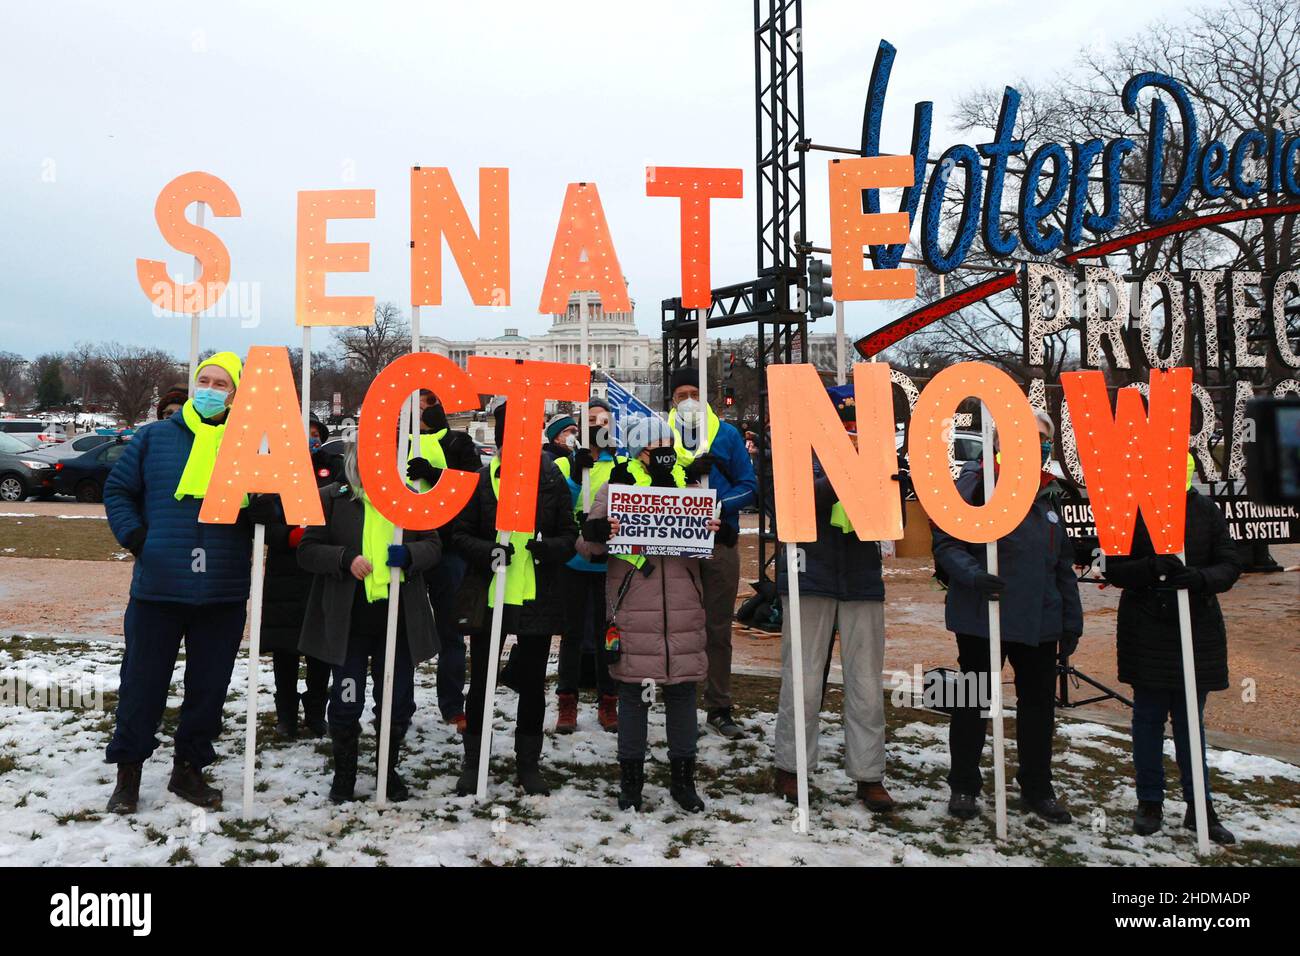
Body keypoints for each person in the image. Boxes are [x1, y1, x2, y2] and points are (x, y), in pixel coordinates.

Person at [104, 351, 268, 813]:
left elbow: (275, 511)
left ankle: (188, 770)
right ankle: (128, 774)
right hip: (159, 586)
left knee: (208, 689)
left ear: (236, 393)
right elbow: (118, 490)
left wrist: (264, 512)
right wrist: (137, 538)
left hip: (222, 588)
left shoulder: (251, 446)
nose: (211, 390)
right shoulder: (154, 437)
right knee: (142, 684)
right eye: (205, 380)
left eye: (222, 384)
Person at [931, 410, 1082, 824]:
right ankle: (963, 785)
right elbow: (947, 542)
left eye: (1042, 440)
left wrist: (1071, 620)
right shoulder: (977, 482)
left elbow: (1061, 565)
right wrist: (974, 576)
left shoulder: (1049, 492)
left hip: (1039, 621)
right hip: (983, 615)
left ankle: (1037, 787)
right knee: (973, 701)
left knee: (1038, 708)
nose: (1036, 445)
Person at [576, 416, 719, 812]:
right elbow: (586, 547)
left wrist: (715, 532)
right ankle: (631, 781)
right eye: (655, 444)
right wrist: (598, 533)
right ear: (640, 450)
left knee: (683, 696)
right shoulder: (616, 488)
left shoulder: (692, 488)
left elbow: (709, 550)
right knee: (634, 698)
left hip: (683, 609)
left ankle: (683, 780)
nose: (663, 450)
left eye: (668, 443)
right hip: (634, 609)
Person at [1103, 455, 1241, 844]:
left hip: (1194, 630)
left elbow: (1230, 564)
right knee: (1147, 720)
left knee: (1189, 725)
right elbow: (1114, 568)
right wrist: (1152, 567)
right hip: (1146, 631)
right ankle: (1150, 802)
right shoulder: (1130, 509)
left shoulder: (1205, 510)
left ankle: (1201, 808)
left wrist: (1197, 578)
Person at [296, 441, 442, 803]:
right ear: (352, 460)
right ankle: (344, 774)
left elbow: (434, 545)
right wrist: (344, 558)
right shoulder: (331, 498)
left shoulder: (410, 497)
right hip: (348, 626)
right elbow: (307, 550)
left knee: (396, 700)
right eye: (364, 457)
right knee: (347, 699)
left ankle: (386, 771)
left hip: (399, 623)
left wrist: (409, 554)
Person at [451, 401, 578, 796]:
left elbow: (568, 535)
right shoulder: (484, 479)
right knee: (482, 684)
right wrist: (487, 551)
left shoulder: (551, 479)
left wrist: (548, 550)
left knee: (532, 684)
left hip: (535, 596)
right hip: (491, 598)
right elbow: (460, 533)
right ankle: (474, 763)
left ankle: (528, 765)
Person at [772, 405, 893, 813]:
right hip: (810, 574)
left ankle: (869, 773)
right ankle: (791, 765)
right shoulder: (795, 452)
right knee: (802, 679)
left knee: (865, 683)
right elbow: (785, 502)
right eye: (843, 426)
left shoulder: (879, 456)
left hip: (861, 577)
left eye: (855, 426)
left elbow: (893, 518)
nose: (850, 432)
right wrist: (842, 475)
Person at [666, 367, 757, 739]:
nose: (688, 399)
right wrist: (679, 475)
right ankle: (679, 701)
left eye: (694, 392)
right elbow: (643, 483)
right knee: (677, 627)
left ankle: (719, 704)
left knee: (717, 629)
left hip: (720, 544)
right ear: (672, 399)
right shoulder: (659, 434)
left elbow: (749, 486)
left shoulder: (728, 434)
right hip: (675, 546)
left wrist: (714, 503)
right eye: (681, 393)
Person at [406, 389, 483, 734]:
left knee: (451, 633)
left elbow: (471, 487)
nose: (423, 408)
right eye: (417, 402)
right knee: (402, 630)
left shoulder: (459, 443)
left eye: (429, 401)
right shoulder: (398, 443)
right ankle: (398, 703)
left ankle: (452, 704)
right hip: (406, 546)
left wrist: (435, 475)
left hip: (448, 548)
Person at [260, 414, 341, 739]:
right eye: (302, 434)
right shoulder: (274, 472)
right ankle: (286, 715)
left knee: (320, 648)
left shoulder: (333, 467)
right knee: (285, 650)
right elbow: (265, 518)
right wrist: (287, 537)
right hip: (285, 572)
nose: (310, 440)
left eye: (315, 434)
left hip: (321, 570)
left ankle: (315, 711)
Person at [551, 397, 625, 734]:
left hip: (609, 563)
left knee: (606, 636)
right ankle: (567, 702)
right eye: (592, 420)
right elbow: (557, 503)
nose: (598, 426)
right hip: (574, 563)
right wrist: (577, 475)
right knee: (571, 635)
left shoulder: (620, 464)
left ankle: (609, 702)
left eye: (604, 420)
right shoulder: (568, 464)